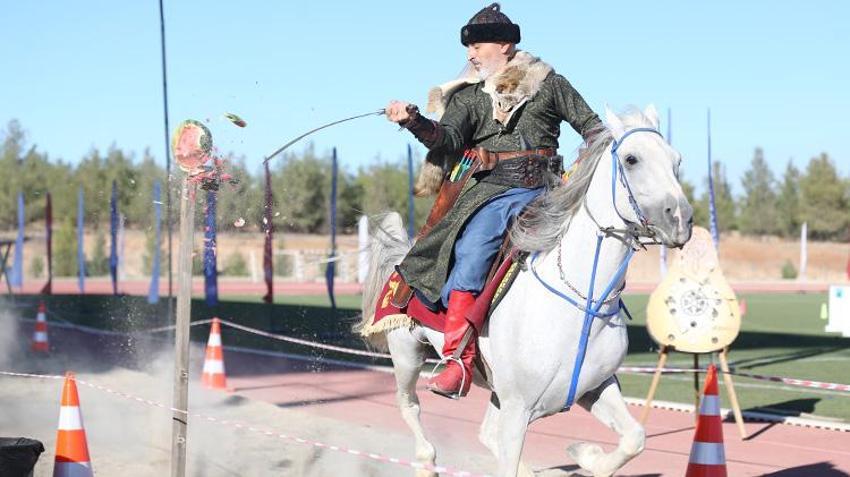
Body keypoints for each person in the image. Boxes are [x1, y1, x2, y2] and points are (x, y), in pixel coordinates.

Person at [385, 3, 602, 399]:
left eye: (477, 46)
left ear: (504, 45)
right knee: (472, 249)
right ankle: (459, 360)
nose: (470, 55)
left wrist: (585, 167)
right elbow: (448, 141)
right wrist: (413, 121)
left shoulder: (550, 83)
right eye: (468, 48)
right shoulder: (468, 98)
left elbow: (594, 129)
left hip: (552, 190)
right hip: (494, 192)